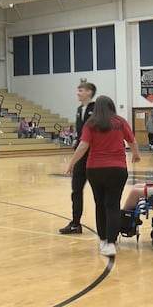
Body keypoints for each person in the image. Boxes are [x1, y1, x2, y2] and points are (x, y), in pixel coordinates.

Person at [64, 95, 141, 257]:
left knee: (100, 205)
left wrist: (71, 162)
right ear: (112, 106)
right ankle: (111, 244)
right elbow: (132, 141)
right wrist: (136, 155)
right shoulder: (120, 122)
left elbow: (83, 145)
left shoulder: (91, 123)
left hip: (95, 169)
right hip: (117, 169)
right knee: (112, 205)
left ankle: (103, 241)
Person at [59, 82, 96, 235]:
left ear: (89, 92)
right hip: (81, 156)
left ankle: (105, 225)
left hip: (93, 156)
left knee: (98, 193)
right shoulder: (79, 109)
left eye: (80, 90)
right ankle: (75, 223)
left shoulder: (95, 109)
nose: (78, 93)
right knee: (76, 191)